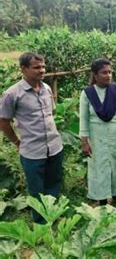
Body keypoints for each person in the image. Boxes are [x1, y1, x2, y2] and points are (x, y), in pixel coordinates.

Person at [0, 52, 63, 224]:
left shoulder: (47, 89)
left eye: (43, 66)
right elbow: (3, 121)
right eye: (36, 67)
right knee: (36, 189)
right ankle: (40, 223)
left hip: (54, 146)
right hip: (32, 151)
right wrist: (16, 141)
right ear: (23, 69)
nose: (42, 70)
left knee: (54, 183)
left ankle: (53, 216)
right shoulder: (12, 94)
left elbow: (52, 113)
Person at [79, 58, 116, 206]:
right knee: (99, 167)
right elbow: (84, 119)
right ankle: (101, 200)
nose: (108, 75)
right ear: (95, 75)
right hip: (97, 137)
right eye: (104, 73)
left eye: (110, 72)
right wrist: (84, 142)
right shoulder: (87, 94)